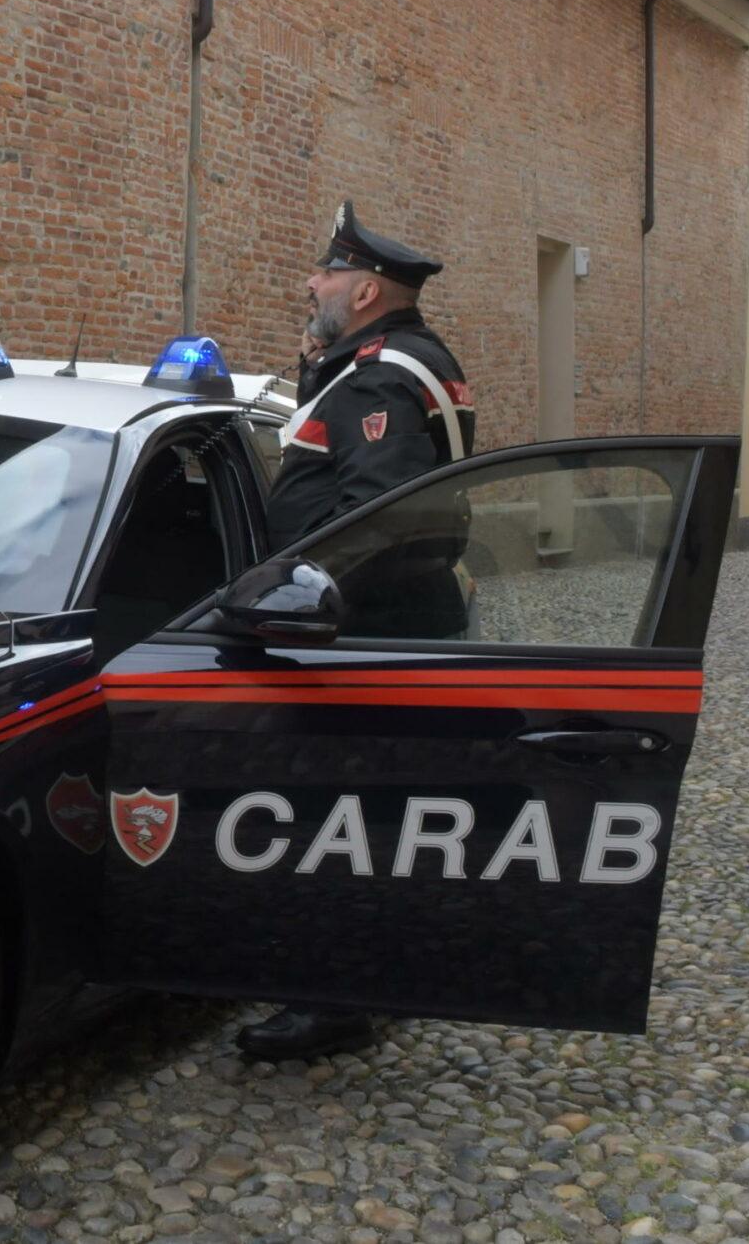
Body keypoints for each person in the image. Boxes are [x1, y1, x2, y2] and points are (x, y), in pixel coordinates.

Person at [236, 199, 477, 1065]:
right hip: (390, 630)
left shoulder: (379, 376)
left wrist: (310, 592)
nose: (312, 281)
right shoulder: (392, 361)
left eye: (327, 271)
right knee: (373, 821)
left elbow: (384, 516)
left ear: (367, 288)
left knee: (339, 824)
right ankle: (375, 980)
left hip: (361, 638)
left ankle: (331, 1001)